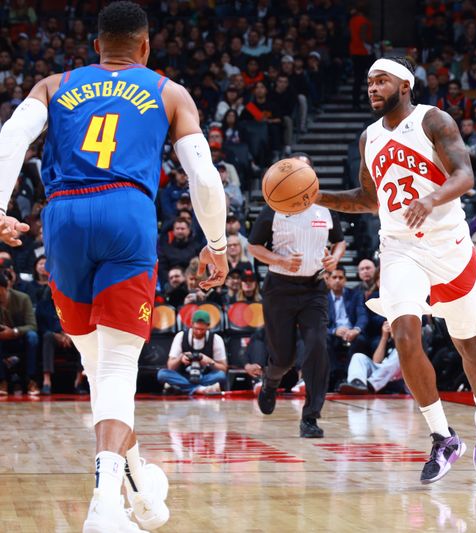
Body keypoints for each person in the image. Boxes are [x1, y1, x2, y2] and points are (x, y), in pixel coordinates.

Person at [0, 3, 230, 531]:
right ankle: (104, 508)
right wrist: (215, 242)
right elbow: (203, 174)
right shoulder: (169, 91)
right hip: (125, 211)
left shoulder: (54, 84)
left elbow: (12, 138)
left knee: (102, 370)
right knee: (118, 369)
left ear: (96, 46)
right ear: (145, 47)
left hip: (62, 218)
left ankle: (138, 481)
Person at [315, 56, 476, 484]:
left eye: (381, 81)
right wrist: (316, 196)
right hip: (399, 247)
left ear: (404, 84)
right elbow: (368, 200)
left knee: (469, 344)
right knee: (403, 333)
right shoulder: (368, 138)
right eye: (369, 82)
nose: (372, 88)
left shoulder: (433, 120)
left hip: (448, 245)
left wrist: (431, 199)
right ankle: (442, 437)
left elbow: (464, 174)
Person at [249, 152, 346, 439]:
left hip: (314, 289)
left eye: (306, 167)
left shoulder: (326, 206)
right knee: (284, 357)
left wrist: (335, 259)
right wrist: (278, 261)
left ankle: (310, 417)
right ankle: (271, 381)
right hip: (279, 288)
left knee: (318, 347)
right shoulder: (273, 207)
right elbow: (254, 246)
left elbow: (339, 242)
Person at [156, 310, 228, 395]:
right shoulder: (181, 336)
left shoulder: (216, 339)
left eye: (202, 329)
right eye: (196, 329)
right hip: (183, 376)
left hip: (205, 377)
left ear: (208, 326)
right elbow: (170, 366)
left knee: (221, 375)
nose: (199, 332)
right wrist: (181, 358)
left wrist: (209, 361)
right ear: (191, 324)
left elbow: (223, 369)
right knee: (162, 374)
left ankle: (184, 388)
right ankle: (199, 389)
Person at [338, 320, 404, 395]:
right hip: (381, 376)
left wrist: (396, 336)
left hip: (396, 380)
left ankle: (371, 385)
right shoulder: (388, 340)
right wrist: (384, 337)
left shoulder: (408, 341)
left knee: (400, 353)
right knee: (358, 357)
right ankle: (357, 383)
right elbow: (376, 361)